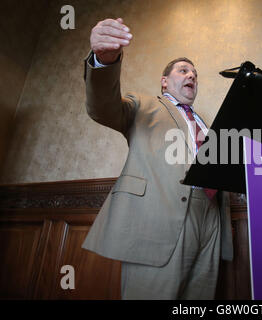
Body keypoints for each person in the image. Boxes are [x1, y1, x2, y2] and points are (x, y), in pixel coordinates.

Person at [81, 17, 233, 300]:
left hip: (211, 219)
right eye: (183, 70)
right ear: (165, 81)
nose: (192, 76)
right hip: (159, 220)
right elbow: (103, 107)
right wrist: (104, 62)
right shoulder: (144, 104)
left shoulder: (206, 125)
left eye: (195, 74)